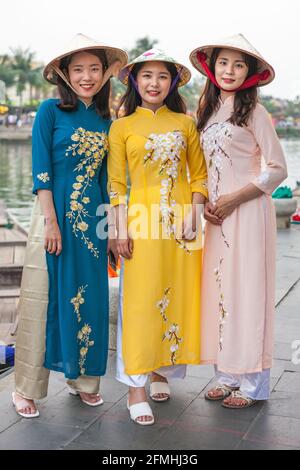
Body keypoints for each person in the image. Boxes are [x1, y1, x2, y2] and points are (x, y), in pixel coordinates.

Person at [12, 34, 127, 418]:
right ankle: (26, 388)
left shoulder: (105, 120)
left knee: (89, 299)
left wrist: (110, 231)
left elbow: (106, 181)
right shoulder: (49, 111)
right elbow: (41, 172)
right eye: (78, 69)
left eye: (94, 69)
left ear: (104, 74)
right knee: (42, 300)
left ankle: (84, 382)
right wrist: (50, 223)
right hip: (51, 216)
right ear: (64, 73)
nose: (87, 76)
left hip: (91, 224)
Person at [108, 49, 208, 425]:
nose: (154, 83)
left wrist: (195, 214)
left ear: (173, 82)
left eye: (162, 77)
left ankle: (160, 369)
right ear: (136, 81)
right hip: (141, 221)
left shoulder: (186, 123)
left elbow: (198, 175)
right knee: (138, 301)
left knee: (177, 295)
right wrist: (118, 229)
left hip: (182, 225)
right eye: (147, 76)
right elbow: (116, 183)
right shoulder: (122, 127)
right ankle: (135, 387)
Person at [189, 34, 288, 408]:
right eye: (224, 63)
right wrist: (208, 203)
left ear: (250, 72)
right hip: (216, 219)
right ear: (212, 67)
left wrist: (233, 198)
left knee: (247, 292)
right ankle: (227, 374)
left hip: (246, 214)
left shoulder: (255, 112)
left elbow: (277, 170)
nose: (229, 71)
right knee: (219, 291)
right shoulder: (209, 110)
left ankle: (253, 385)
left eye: (239, 64)